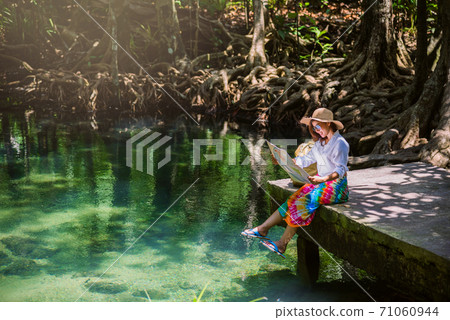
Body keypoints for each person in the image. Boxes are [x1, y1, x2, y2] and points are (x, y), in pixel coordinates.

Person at [241, 108, 350, 258]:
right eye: (314, 127)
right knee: (293, 199)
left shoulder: (340, 143)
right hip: (320, 181)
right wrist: (289, 161)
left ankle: (282, 244)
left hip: (336, 186)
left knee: (304, 201)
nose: (316, 130)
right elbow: (307, 159)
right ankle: (263, 229)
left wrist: (323, 179)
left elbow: (341, 169)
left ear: (329, 124)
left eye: (318, 126)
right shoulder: (320, 143)